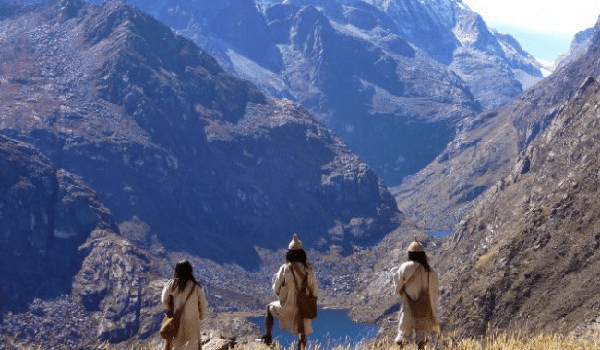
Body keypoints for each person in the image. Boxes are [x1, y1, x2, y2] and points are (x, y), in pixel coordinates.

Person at [261, 234, 319, 350]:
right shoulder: (308, 270)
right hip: (303, 309)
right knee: (302, 333)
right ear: (302, 254)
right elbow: (315, 291)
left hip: (286, 308)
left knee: (269, 308)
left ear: (289, 253)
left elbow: (276, 289)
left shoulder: (285, 268)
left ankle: (268, 337)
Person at [393, 238, 440, 350]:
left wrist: (401, 293)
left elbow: (398, 285)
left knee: (403, 335)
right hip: (424, 307)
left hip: (408, 306)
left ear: (410, 254)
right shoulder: (431, 271)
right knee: (421, 339)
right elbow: (435, 290)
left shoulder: (405, 267)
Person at [162, 260, 209, 350]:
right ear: (190, 270)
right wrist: (200, 317)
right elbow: (203, 305)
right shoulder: (196, 286)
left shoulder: (171, 284)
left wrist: (171, 309)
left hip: (176, 320)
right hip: (193, 322)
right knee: (192, 345)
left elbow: (164, 301)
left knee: (177, 345)